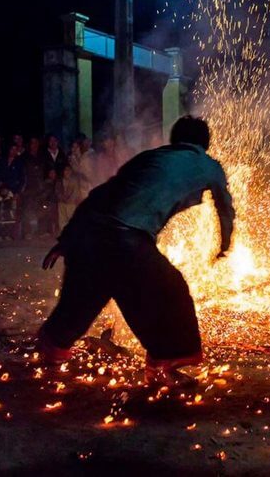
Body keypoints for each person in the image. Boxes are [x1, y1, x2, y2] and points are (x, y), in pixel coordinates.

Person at [37, 115, 235, 386]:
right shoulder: (208, 165)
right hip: (125, 239)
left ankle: (50, 352)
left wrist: (67, 239)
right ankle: (166, 359)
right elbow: (225, 206)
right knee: (171, 289)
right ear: (205, 143)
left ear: (175, 140)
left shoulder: (149, 158)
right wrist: (225, 242)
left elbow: (101, 194)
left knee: (83, 301)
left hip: (88, 234)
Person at [55, 165, 81, 232]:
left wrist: (70, 200)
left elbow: (76, 191)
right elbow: (57, 191)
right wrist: (61, 198)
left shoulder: (74, 180)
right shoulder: (59, 180)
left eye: (68, 170)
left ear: (71, 171)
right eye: (65, 170)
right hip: (61, 203)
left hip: (71, 203)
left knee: (71, 219)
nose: (67, 172)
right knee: (62, 219)